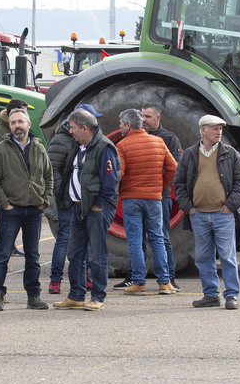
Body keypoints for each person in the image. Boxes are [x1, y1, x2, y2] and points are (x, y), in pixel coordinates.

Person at [173, 114, 240, 310]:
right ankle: (210, 295)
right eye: (215, 129)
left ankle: (232, 296)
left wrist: (230, 206)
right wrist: (188, 208)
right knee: (203, 258)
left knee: (227, 256)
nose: (219, 132)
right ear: (203, 130)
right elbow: (179, 183)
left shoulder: (230, 154)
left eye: (220, 129)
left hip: (223, 215)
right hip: (198, 215)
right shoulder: (189, 155)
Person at [0, 108, 53, 311]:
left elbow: (49, 177)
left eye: (20, 122)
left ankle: (33, 296)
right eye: (13, 123)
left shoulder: (39, 148)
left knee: (33, 256)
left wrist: (44, 200)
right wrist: (4, 204)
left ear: (28, 125)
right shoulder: (1, 149)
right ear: (9, 126)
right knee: (3, 255)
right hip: (11, 212)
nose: (17, 126)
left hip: (33, 211)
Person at [52, 107, 120, 312]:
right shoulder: (79, 147)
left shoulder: (104, 147)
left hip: (95, 210)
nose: (70, 131)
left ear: (84, 128)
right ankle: (76, 295)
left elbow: (110, 183)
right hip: (78, 209)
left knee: (97, 256)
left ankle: (98, 296)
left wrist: (98, 206)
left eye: (72, 128)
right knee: (75, 253)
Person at [113, 108, 177, 295]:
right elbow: (173, 168)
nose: (120, 127)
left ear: (129, 125)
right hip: (154, 199)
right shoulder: (158, 142)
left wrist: (118, 192)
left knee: (135, 241)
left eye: (121, 124)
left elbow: (120, 174)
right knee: (157, 239)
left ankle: (139, 282)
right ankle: (164, 282)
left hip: (131, 199)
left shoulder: (122, 146)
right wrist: (159, 186)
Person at [45, 104, 97, 294]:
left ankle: (84, 277)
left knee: (84, 242)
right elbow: (52, 169)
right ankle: (55, 280)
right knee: (64, 240)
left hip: (83, 201)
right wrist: (64, 194)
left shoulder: (89, 141)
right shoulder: (62, 140)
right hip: (68, 201)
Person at [141, 103, 183, 289]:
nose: (144, 120)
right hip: (140, 195)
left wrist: (160, 186)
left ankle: (169, 277)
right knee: (138, 238)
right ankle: (136, 277)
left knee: (162, 237)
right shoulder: (138, 137)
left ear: (158, 118)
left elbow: (175, 168)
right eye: (142, 116)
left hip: (161, 197)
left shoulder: (169, 138)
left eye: (148, 117)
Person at [0, 99, 29, 258]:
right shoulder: (0, 133)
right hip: (6, 179)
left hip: (16, 180)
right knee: (2, 211)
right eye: (23, 111)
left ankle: (10, 244)